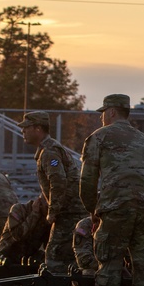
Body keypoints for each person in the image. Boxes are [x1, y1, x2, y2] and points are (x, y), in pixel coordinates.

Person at [79, 94, 144, 286]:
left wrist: (92, 210)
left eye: (102, 112)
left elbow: (87, 179)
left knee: (109, 262)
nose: (101, 117)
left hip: (117, 207)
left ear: (112, 112)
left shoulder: (99, 137)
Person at [17, 110, 85, 275]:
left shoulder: (49, 152)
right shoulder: (47, 149)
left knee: (54, 258)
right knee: (69, 257)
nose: (23, 131)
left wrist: (52, 211)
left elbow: (58, 182)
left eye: (27, 128)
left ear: (38, 129)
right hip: (71, 211)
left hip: (69, 212)